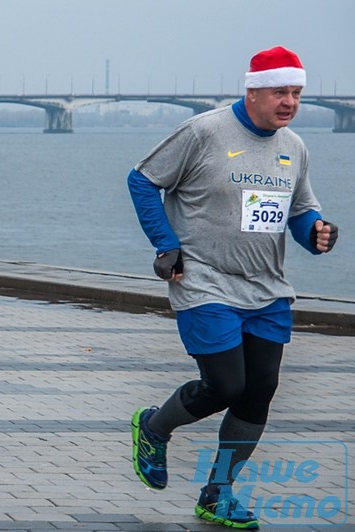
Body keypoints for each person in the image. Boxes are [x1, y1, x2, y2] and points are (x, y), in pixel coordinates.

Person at [127, 46, 338, 529]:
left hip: (267, 288)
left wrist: (317, 233)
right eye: (280, 91)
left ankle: (217, 494)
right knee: (225, 385)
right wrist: (166, 245)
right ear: (253, 90)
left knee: (259, 390)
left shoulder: (295, 147)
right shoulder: (204, 132)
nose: (289, 102)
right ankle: (154, 427)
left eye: (297, 93)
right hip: (204, 281)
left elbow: (298, 211)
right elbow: (141, 180)